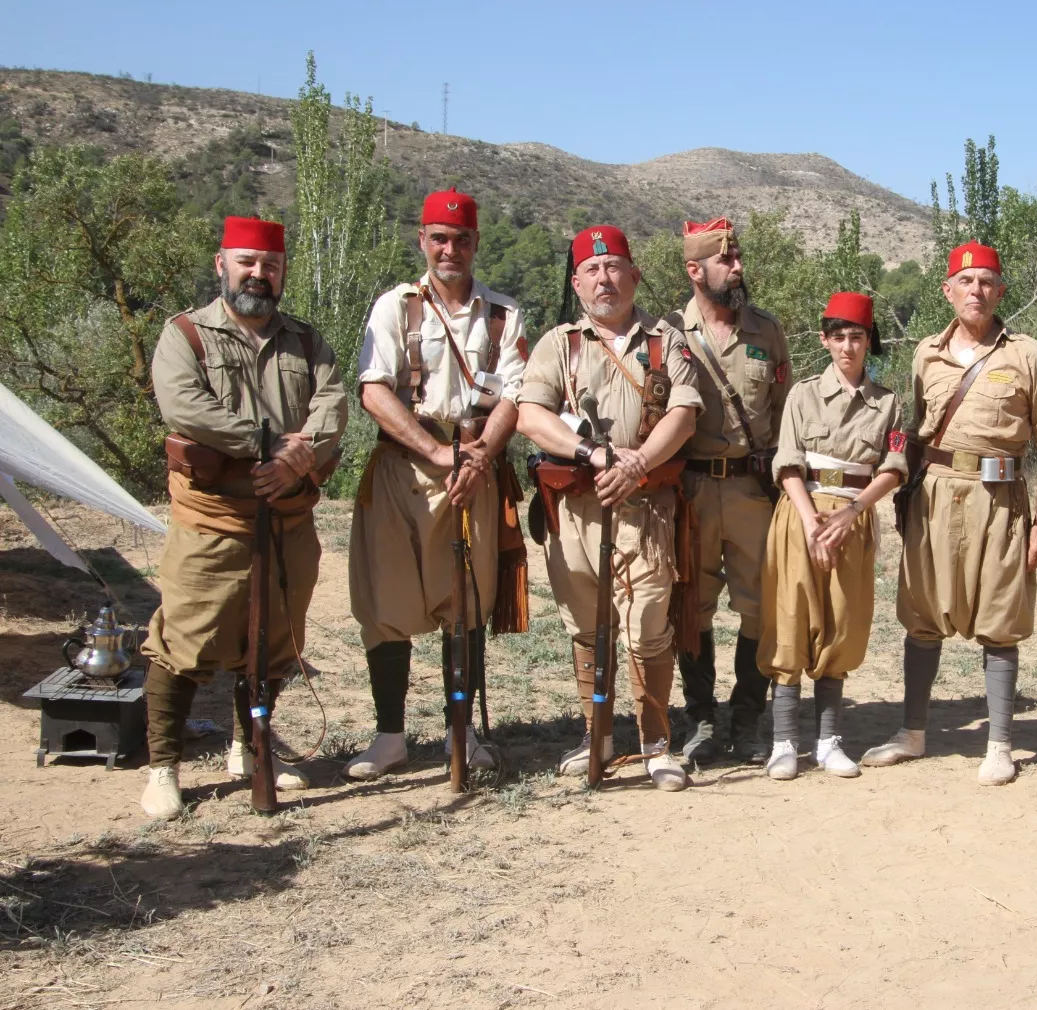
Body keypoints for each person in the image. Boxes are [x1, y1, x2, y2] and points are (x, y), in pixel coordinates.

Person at [139, 216, 347, 819]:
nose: (259, 274)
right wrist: (264, 444)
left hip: (287, 515)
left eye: (271, 265)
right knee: (186, 635)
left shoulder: (306, 342)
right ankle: (163, 766)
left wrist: (297, 454)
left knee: (275, 640)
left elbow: (333, 401)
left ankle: (249, 748)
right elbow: (183, 404)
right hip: (212, 518)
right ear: (221, 264)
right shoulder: (186, 335)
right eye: (248, 262)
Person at [861, 241, 1037, 785]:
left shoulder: (1027, 353)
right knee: (923, 614)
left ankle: (999, 744)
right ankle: (912, 731)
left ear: (1000, 291)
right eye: (966, 282)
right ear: (948, 291)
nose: (976, 291)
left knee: (1000, 618)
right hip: (934, 495)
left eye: (987, 282)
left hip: (1000, 501)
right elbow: (911, 431)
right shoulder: (926, 353)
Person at [343, 188, 528, 780]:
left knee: (466, 605)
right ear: (422, 241)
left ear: (476, 243)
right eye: (439, 238)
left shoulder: (504, 313)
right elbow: (374, 389)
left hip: (474, 470)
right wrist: (432, 450)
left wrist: (476, 460)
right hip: (405, 468)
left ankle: (463, 732)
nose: (451, 249)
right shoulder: (395, 307)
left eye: (462, 239)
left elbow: (516, 396)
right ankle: (390, 736)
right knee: (387, 603)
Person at [517, 225, 703, 791]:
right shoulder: (559, 343)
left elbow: (684, 412)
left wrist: (636, 464)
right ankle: (596, 737)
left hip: (647, 508)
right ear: (578, 284)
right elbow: (530, 413)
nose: (605, 278)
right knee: (586, 627)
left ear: (634, 276)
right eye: (593, 271)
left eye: (615, 267)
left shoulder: (666, 341)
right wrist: (592, 453)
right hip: (577, 507)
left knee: (648, 626)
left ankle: (656, 743)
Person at [759, 292, 906, 780]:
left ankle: (827, 742)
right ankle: (784, 743)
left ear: (870, 341)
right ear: (824, 340)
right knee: (790, 619)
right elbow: (787, 463)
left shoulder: (887, 403)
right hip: (801, 516)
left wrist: (852, 513)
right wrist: (809, 520)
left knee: (842, 622)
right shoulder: (801, 395)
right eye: (838, 337)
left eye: (857, 337)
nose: (848, 347)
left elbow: (894, 468)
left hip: (854, 519)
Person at [664, 217, 791, 764]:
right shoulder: (668, 332)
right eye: (725, 260)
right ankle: (700, 719)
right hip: (690, 489)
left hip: (751, 489)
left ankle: (747, 717)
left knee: (761, 608)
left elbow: (786, 415)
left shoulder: (767, 330)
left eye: (737, 257)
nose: (737, 267)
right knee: (690, 608)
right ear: (696, 270)